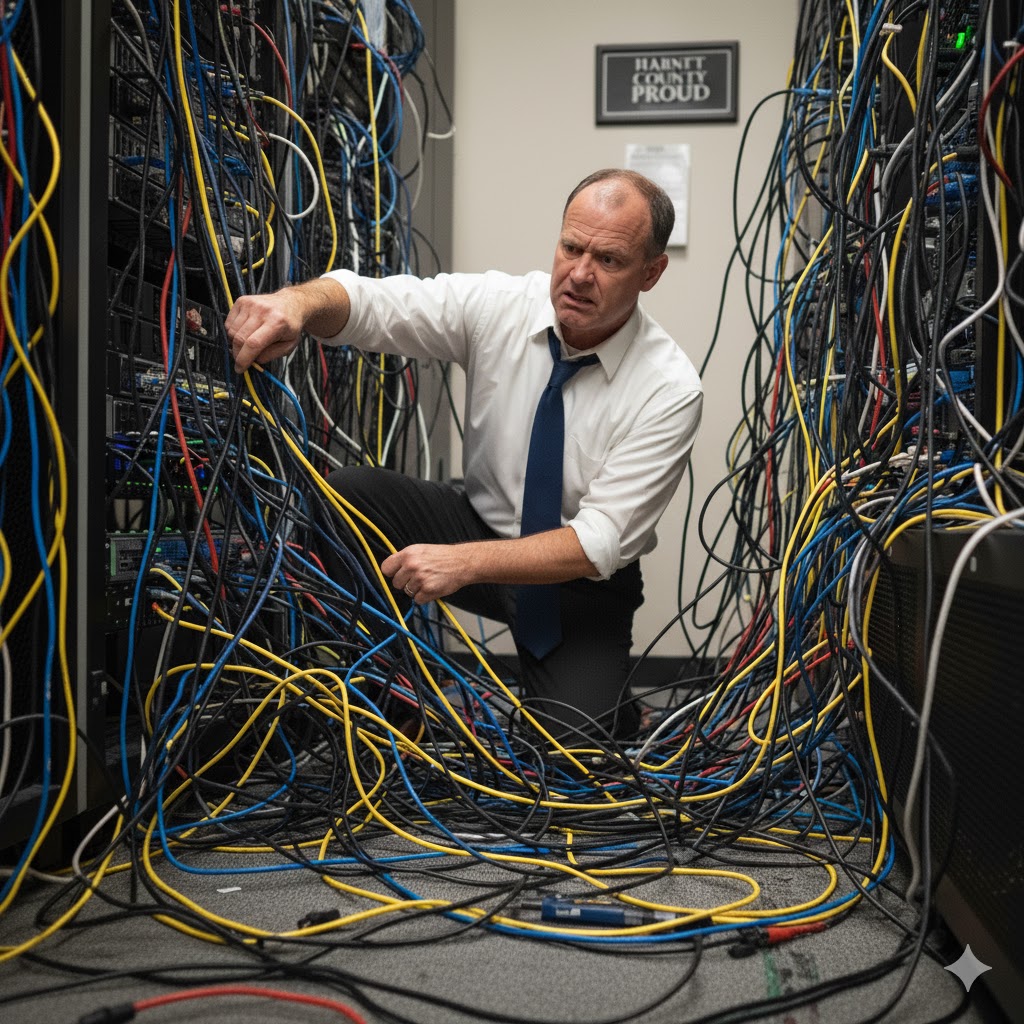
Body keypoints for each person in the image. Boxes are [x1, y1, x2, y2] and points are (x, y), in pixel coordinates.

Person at [226, 168, 703, 741]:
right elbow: (377, 305)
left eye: (608, 260)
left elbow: (597, 541)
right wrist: (296, 304)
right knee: (354, 495)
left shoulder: (669, 388)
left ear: (651, 273)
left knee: (572, 756)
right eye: (571, 247)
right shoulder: (503, 305)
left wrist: (463, 563)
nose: (579, 274)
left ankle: (609, 710)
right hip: (478, 524)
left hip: (578, 582)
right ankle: (389, 694)